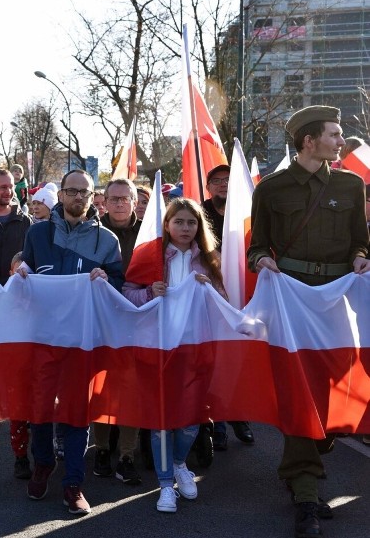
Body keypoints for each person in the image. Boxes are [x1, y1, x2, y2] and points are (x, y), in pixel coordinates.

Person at [247, 105, 369, 538]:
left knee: (333, 392)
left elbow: (362, 241)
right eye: (334, 135)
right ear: (308, 141)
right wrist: (262, 260)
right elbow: (256, 246)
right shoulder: (272, 190)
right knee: (304, 393)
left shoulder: (352, 186)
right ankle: (305, 491)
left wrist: (360, 256)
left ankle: (304, 461)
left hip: (337, 302)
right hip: (293, 302)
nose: (341, 141)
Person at [17, 169, 123, 516]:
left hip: (82, 341)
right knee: (41, 408)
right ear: (60, 195)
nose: (78, 197)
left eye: (85, 193)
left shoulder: (107, 241)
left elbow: (118, 290)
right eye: (72, 191)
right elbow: (26, 273)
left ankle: (73, 482)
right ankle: (43, 464)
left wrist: (107, 280)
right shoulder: (37, 234)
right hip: (44, 338)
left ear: (94, 198)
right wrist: (19, 271)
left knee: (78, 411)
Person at [123, 197, 226, 513]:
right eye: (178, 222)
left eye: (191, 222)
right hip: (157, 349)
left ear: (199, 227)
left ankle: (180, 462)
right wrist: (148, 292)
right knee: (161, 423)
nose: (185, 228)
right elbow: (128, 295)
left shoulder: (209, 259)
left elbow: (223, 301)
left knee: (190, 420)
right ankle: (166, 485)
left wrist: (209, 288)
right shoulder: (149, 256)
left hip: (194, 351)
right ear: (167, 224)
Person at [200, 164, 256, 451]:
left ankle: (239, 416)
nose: (223, 185)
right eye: (217, 180)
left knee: (238, 358)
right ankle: (216, 421)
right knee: (213, 360)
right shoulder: (199, 214)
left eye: (228, 180)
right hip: (210, 295)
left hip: (243, 295)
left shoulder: (248, 213)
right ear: (208, 187)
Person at [0, 169, 33, 478]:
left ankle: (25, 450)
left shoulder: (25, 222)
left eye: (10, 187)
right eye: (1, 187)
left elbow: (33, 255)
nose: (7, 191)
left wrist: (22, 269)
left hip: (18, 303)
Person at [92, 178, 142, 485]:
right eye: (114, 199)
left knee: (131, 387)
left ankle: (126, 454)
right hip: (102, 317)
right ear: (104, 202)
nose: (120, 203)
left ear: (135, 202)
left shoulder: (151, 233)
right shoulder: (92, 233)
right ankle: (101, 448)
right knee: (102, 385)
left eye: (126, 198)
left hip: (138, 318)